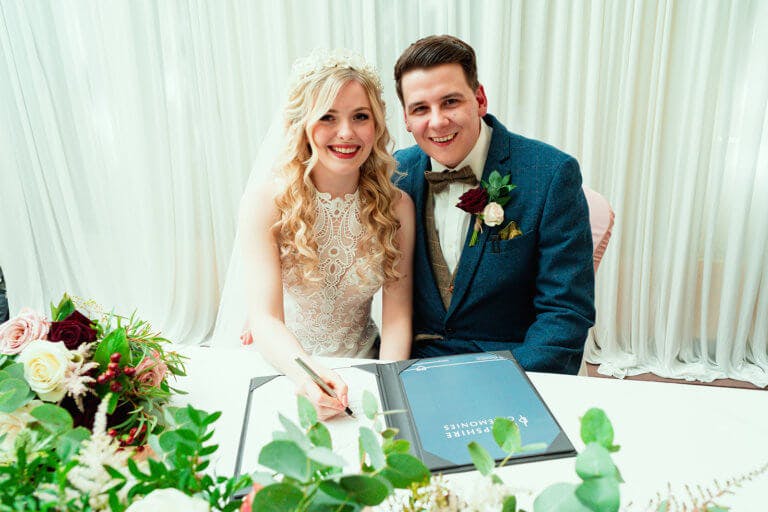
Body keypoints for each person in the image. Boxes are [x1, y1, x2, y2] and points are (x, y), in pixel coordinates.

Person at [393, 35, 594, 374]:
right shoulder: (396, 175)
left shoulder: (551, 174)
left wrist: (506, 379)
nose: (438, 121)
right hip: (417, 369)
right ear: (407, 119)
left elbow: (565, 314)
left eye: (450, 102)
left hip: (513, 368)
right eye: (421, 109)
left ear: (480, 99)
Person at [239, 50, 414, 419]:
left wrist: (388, 388)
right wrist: (307, 375)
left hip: (366, 366)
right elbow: (265, 319)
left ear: (377, 124)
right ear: (302, 123)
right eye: (328, 117)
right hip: (286, 365)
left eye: (360, 117)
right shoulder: (265, 203)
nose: (346, 133)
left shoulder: (398, 207)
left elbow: (397, 315)